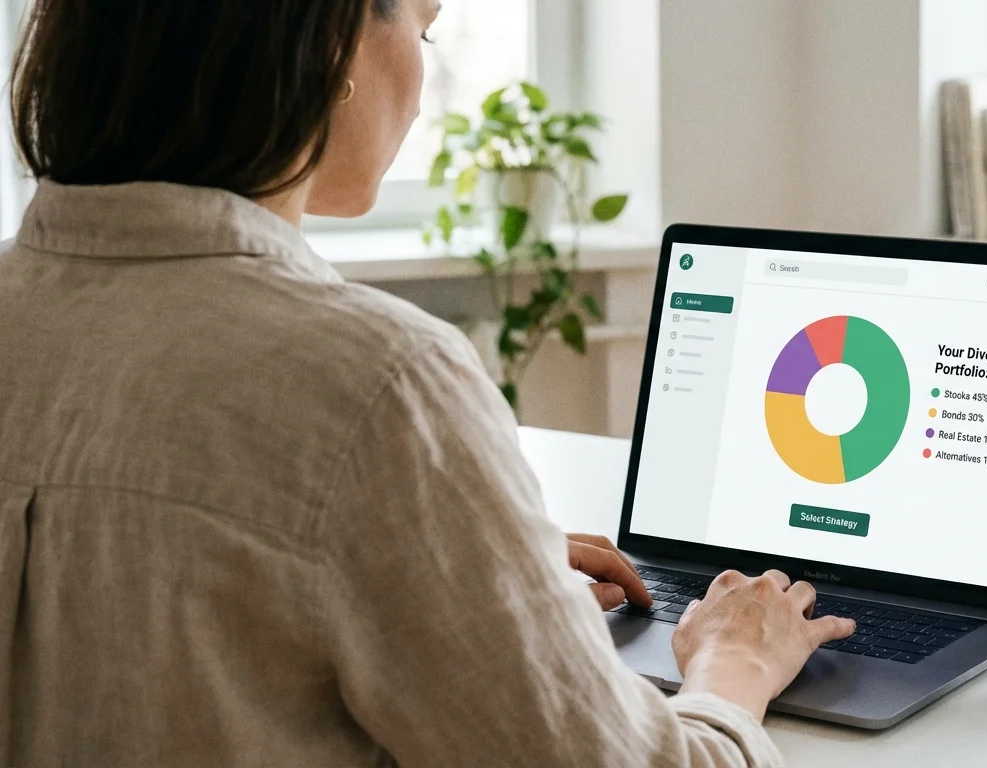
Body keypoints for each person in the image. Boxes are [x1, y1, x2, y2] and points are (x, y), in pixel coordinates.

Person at [0, 0, 854, 765]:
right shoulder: (379, 383)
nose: (419, 88)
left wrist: (458, 562)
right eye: (426, 30)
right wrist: (733, 666)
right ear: (334, 41)